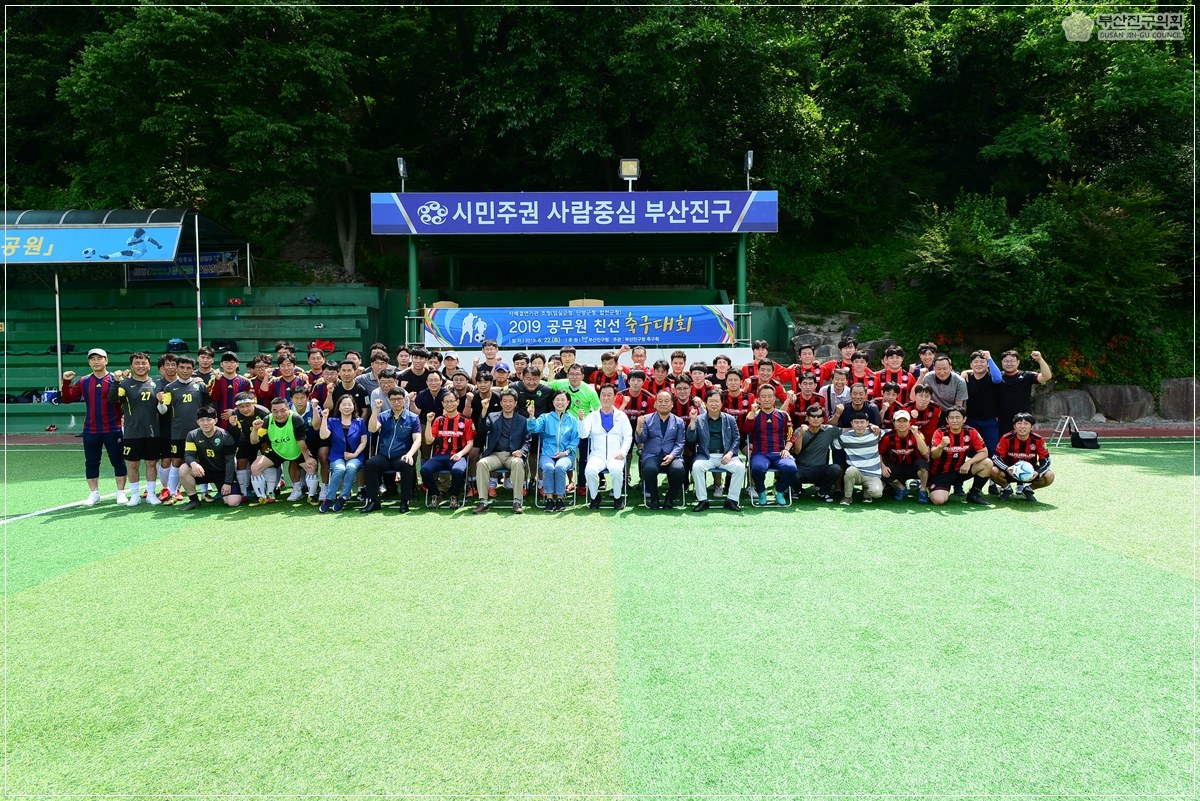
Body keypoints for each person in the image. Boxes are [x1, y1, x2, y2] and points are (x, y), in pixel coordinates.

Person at [60, 347, 128, 505]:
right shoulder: (84, 381)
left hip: (113, 428)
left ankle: (120, 492)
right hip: (91, 429)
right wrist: (66, 381)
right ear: (89, 362)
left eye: (99, 358)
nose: (96, 362)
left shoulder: (115, 379)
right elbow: (68, 399)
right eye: (92, 359)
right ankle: (94, 493)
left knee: (118, 460)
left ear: (106, 360)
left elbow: (125, 402)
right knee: (91, 462)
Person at [109, 352, 163, 506]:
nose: (141, 366)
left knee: (151, 463)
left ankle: (151, 494)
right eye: (137, 363)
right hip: (132, 431)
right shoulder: (125, 384)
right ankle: (134, 495)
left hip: (153, 431)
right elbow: (113, 399)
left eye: (143, 363)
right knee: (133, 464)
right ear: (131, 366)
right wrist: (116, 381)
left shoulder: (157, 384)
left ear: (149, 365)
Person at [361, 388, 423, 514]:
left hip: (402, 456)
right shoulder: (382, 416)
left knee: (407, 465)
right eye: (393, 399)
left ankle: (405, 501)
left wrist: (410, 454)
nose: (396, 402)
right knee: (370, 464)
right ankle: (373, 501)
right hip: (384, 456)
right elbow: (372, 429)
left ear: (404, 400)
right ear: (389, 401)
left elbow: (417, 440)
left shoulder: (413, 418)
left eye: (399, 399)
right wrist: (376, 410)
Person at [158, 355, 210, 503]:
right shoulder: (170, 387)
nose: (185, 370)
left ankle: (205, 492)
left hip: (198, 432)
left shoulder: (200, 386)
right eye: (182, 367)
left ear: (193, 369)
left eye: (188, 368)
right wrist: (161, 402)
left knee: (202, 460)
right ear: (177, 368)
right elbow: (163, 410)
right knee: (176, 461)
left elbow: (207, 407)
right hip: (178, 431)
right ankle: (173, 493)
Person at [471, 389, 533, 515]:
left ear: (515, 403)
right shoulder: (492, 416)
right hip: (495, 455)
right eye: (505, 401)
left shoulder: (522, 420)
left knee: (518, 463)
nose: (508, 404)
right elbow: (482, 429)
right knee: (481, 463)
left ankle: (517, 501)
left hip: (512, 455)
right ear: (500, 403)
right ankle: (483, 502)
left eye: (511, 401)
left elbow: (527, 441)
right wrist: (484, 410)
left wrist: (521, 452)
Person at [249, 397, 320, 505]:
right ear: (271, 411)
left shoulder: (296, 418)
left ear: (288, 408)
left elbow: (301, 442)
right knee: (255, 468)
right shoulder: (267, 420)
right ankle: (261, 497)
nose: (279, 414)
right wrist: (255, 429)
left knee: (312, 467)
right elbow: (254, 441)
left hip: (296, 449)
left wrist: (307, 458)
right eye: (275, 411)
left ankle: (311, 496)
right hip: (277, 450)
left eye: (282, 410)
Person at [687, 389, 745, 511]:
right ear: (706, 404)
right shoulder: (699, 419)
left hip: (726, 456)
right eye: (711, 401)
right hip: (706, 456)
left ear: (721, 403)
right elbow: (691, 439)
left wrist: (730, 453)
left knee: (740, 467)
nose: (714, 404)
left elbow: (736, 438)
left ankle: (731, 500)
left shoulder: (729, 419)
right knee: (697, 467)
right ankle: (703, 500)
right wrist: (692, 421)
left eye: (716, 401)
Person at [177, 406, 244, 510]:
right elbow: (189, 455)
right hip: (205, 471)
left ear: (215, 420)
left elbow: (230, 462)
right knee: (184, 469)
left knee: (233, 502)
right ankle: (194, 500)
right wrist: (194, 464)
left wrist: (227, 483)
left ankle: (225, 493)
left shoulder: (225, 436)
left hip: (222, 473)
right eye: (202, 420)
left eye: (209, 420)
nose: (205, 423)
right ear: (198, 422)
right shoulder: (192, 435)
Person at [580, 384, 633, 510]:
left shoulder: (621, 416)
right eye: (603, 395)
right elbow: (583, 434)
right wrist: (581, 420)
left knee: (616, 470)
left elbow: (628, 437)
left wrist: (623, 452)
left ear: (615, 398)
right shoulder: (592, 416)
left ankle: (617, 497)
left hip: (615, 455)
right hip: (597, 455)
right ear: (599, 397)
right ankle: (594, 497)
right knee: (590, 471)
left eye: (610, 395)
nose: (606, 398)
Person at [525, 390, 579, 512]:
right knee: (548, 467)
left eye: (563, 400)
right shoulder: (546, 417)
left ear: (568, 402)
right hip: (547, 455)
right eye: (557, 400)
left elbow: (575, 439)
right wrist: (532, 416)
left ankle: (559, 499)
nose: (560, 402)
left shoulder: (572, 420)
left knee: (560, 467)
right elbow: (533, 429)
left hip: (566, 455)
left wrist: (565, 453)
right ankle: (549, 499)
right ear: (553, 402)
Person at [928, 407, 993, 506]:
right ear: (947, 420)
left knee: (987, 463)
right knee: (938, 501)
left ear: (964, 419)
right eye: (951, 418)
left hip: (960, 470)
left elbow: (984, 452)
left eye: (958, 417)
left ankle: (973, 495)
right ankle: (939, 488)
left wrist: (969, 462)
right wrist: (941, 446)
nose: (954, 421)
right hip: (941, 473)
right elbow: (933, 455)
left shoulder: (971, 432)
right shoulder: (940, 432)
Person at [422, 390, 476, 510]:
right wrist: (429, 422)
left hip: (459, 455)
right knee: (425, 470)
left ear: (457, 402)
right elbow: (429, 441)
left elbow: (470, 443)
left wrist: (460, 453)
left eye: (452, 401)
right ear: (442, 403)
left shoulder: (466, 421)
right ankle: (436, 495)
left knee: (457, 471)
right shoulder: (438, 420)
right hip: (440, 455)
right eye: (446, 402)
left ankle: (454, 496)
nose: (449, 404)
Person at [745, 384, 797, 506]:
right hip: (760, 453)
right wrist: (752, 413)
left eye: (770, 396)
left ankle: (779, 491)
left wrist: (786, 449)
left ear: (774, 398)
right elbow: (746, 430)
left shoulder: (783, 415)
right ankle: (761, 491)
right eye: (763, 397)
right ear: (759, 399)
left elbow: (791, 436)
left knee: (791, 468)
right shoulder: (753, 414)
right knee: (757, 468)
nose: (767, 399)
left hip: (779, 453)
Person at [634, 391, 686, 509]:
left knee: (679, 470)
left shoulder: (679, 422)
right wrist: (639, 427)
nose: (663, 403)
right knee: (650, 469)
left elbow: (680, 442)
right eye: (660, 401)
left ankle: (670, 498)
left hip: (672, 456)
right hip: (652, 455)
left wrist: (672, 456)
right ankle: (654, 498)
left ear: (672, 404)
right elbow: (641, 439)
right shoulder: (647, 419)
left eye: (667, 401)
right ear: (655, 404)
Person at [319, 394, 367, 512]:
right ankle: (329, 498)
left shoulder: (359, 422)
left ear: (354, 407)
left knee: (351, 467)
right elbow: (323, 435)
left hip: (355, 456)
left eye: (349, 404)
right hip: (337, 455)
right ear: (338, 407)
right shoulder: (332, 421)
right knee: (340, 469)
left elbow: (364, 441)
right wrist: (324, 419)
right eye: (343, 404)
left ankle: (343, 497)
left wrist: (355, 454)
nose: (347, 407)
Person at [991, 412, 1054, 502]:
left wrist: (1037, 472)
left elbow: (1046, 461)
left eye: (1026, 424)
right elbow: (996, 457)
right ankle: (1007, 489)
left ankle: (1028, 490)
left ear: (1032, 427)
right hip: (1009, 471)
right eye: (1019, 423)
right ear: (1014, 426)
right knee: (992, 470)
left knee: (1049, 476)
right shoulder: (1006, 438)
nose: (1022, 426)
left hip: (1030, 473)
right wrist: (1007, 468)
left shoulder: (1039, 440)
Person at [791, 405, 841, 502]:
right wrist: (801, 434)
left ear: (823, 419)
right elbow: (797, 451)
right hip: (802, 469)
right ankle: (798, 491)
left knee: (835, 468)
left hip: (820, 470)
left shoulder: (829, 430)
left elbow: (847, 430)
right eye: (813, 416)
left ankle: (822, 492)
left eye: (819, 416)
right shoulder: (799, 431)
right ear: (807, 418)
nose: (816, 418)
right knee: (789, 470)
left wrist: (868, 426)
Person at [878, 409, 931, 503]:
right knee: (883, 474)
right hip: (898, 466)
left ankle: (923, 491)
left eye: (905, 421)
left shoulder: (917, 434)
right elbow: (879, 453)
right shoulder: (888, 437)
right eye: (899, 421)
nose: (902, 424)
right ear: (894, 423)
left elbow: (924, 452)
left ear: (910, 423)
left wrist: (916, 435)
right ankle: (901, 488)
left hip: (915, 466)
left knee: (923, 466)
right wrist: (883, 466)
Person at [996, 350, 1052, 437]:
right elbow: (979, 373)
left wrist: (1040, 359)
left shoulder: (1026, 376)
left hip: (1023, 420)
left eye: (1012, 361)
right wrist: (966, 372)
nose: (1009, 364)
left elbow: (1046, 376)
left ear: (1018, 362)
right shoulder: (997, 377)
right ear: (1002, 362)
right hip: (1002, 420)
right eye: (1006, 361)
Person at [961, 349, 1003, 458]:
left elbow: (998, 379)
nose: (979, 364)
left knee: (992, 450)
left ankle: (989, 473)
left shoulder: (991, 378)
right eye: (975, 361)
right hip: (971, 420)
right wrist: (965, 372)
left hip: (990, 421)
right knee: (967, 449)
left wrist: (989, 358)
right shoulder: (966, 378)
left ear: (988, 364)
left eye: (982, 361)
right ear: (971, 364)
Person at [835, 412, 884, 505]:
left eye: (862, 422)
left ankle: (866, 494)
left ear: (867, 423)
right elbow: (833, 444)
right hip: (856, 472)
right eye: (856, 422)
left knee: (877, 493)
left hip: (873, 474)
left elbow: (893, 433)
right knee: (850, 471)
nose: (859, 425)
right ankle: (847, 497)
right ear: (851, 423)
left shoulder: (876, 433)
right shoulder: (844, 437)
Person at [229, 391, 270, 499]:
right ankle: (243, 492)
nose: (245, 409)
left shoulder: (263, 412)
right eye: (241, 407)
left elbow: (271, 430)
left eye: (247, 405)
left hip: (263, 439)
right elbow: (235, 434)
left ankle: (272, 489)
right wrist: (233, 426)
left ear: (254, 403)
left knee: (270, 458)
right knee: (241, 461)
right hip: (246, 440)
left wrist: (267, 442)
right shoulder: (235, 413)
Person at [209, 352, 253, 431]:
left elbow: (252, 403)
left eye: (232, 362)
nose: (229, 365)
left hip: (241, 422)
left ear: (237, 364)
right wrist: (217, 381)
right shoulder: (214, 381)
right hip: (220, 423)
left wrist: (235, 412)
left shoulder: (246, 382)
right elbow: (214, 398)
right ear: (221, 364)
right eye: (226, 362)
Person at [920, 355, 968, 421]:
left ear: (950, 368)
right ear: (934, 369)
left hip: (951, 413)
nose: (942, 372)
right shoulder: (928, 378)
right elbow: (918, 396)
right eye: (939, 369)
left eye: (945, 369)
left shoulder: (960, 381)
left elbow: (958, 406)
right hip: (932, 412)